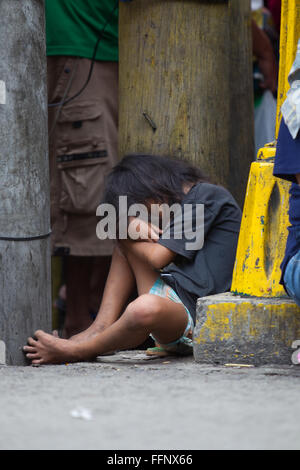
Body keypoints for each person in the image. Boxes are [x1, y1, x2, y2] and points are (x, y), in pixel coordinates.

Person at [23, 154, 242, 365]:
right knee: (125, 244)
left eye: (140, 209)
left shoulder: (206, 195)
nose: (144, 219)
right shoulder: (181, 206)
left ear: (152, 186)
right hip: (175, 306)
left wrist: (125, 228)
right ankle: (99, 328)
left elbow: (158, 258)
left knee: (143, 307)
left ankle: (78, 351)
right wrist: (124, 229)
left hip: (201, 318)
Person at [45, 0, 119, 338]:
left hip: (104, 44)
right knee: (87, 184)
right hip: (81, 43)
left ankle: (87, 307)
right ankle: (78, 317)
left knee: (107, 182)